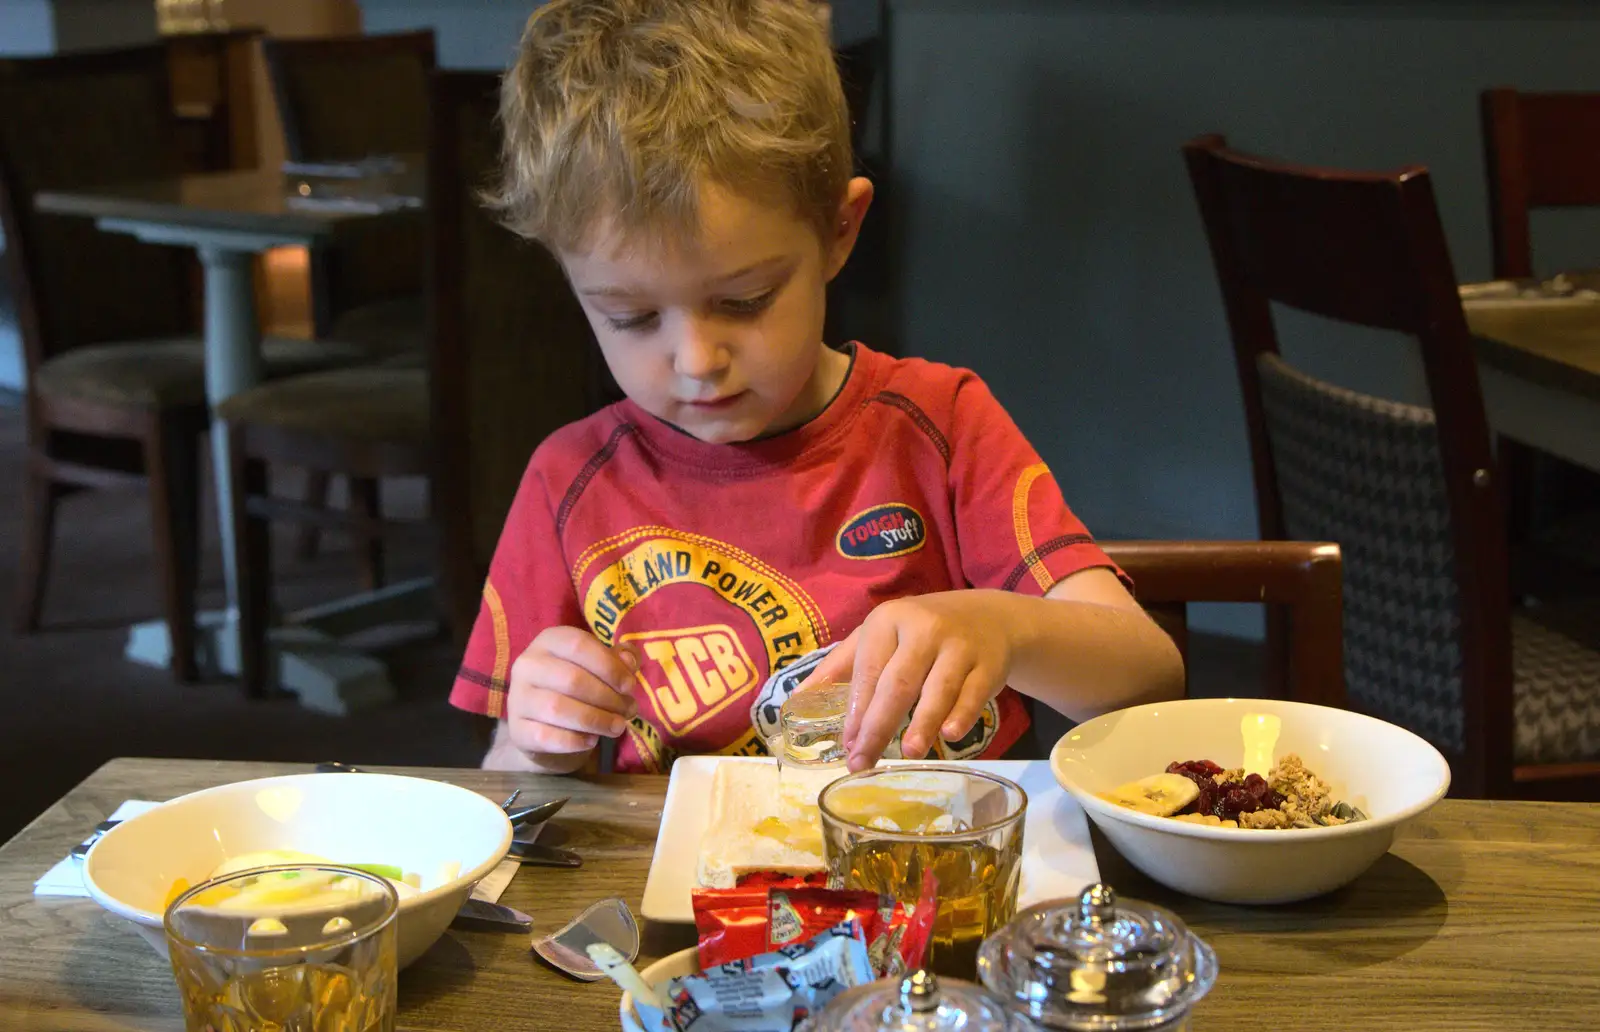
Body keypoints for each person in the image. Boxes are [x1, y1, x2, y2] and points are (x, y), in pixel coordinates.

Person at [450, 0, 1184, 775]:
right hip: (695, 886)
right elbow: (508, 793)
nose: (697, 358)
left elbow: (1147, 674)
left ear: (841, 229)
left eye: (745, 301)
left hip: (935, 865)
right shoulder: (570, 481)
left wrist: (1008, 630)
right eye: (629, 316)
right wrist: (536, 738)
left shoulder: (939, 424)